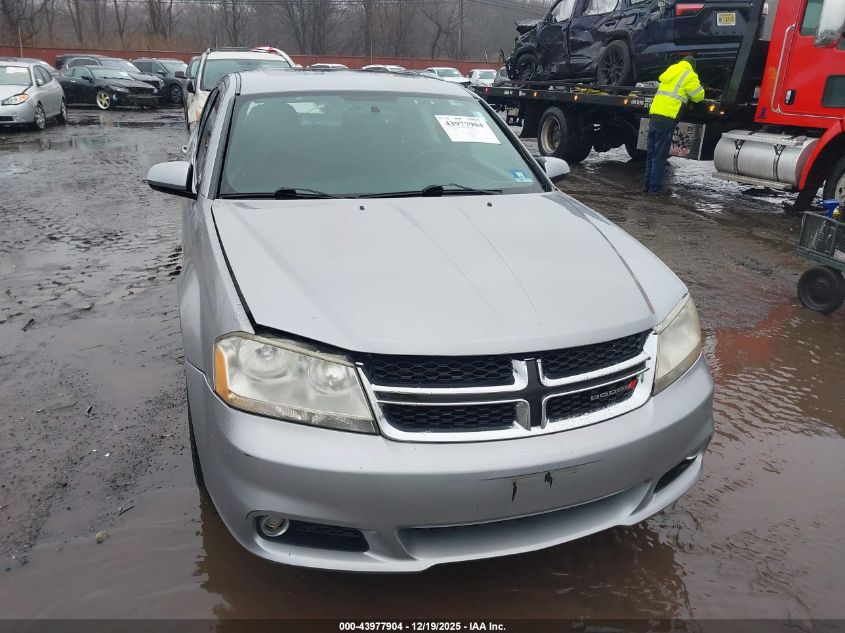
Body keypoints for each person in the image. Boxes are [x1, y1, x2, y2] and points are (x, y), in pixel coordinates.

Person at [643, 55, 705, 195]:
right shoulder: (690, 75)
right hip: (667, 119)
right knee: (660, 156)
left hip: (654, 115)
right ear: (692, 66)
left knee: (651, 154)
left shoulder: (671, 71)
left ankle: (647, 186)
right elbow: (698, 96)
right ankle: (654, 189)